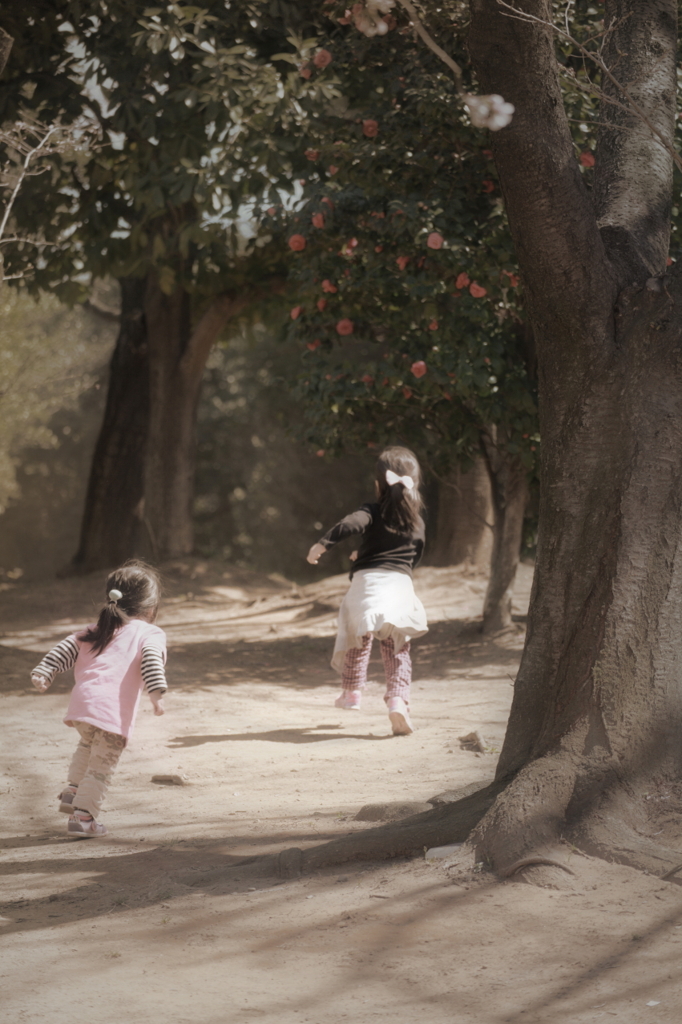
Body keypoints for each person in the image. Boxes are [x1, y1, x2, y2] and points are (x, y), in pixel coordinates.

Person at [30, 560, 168, 839]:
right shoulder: (150, 633)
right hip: (110, 713)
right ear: (151, 609)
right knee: (102, 765)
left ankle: (73, 791)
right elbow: (152, 661)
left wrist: (45, 670)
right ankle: (84, 819)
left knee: (88, 744)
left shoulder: (96, 630)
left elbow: (66, 647)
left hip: (82, 707)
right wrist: (156, 694)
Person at [307, 446, 428, 735]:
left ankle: (351, 693)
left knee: (357, 637)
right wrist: (365, 554)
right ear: (414, 484)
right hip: (399, 588)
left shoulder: (371, 511)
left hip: (367, 587)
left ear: (378, 484)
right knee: (397, 647)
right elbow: (411, 556)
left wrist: (321, 544)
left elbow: (351, 525)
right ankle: (398, 701)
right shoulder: (418, 522)